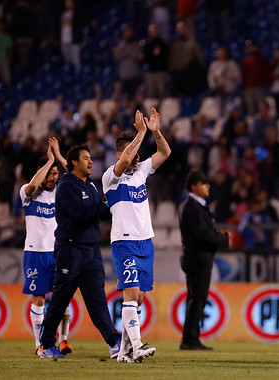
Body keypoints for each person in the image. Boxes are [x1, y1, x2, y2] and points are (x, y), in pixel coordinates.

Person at [39, 144, 121, 359]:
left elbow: (100, 212)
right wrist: (105, 203)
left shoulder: (91, 185)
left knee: (98, 300)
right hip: (70, 250)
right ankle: (46, 345)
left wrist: (108, 203)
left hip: (91, 251)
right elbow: (80, 214)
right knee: (60, 300)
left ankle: (114, 342)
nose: (91, 161)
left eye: (90, 157)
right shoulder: (66, 186)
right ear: (74, 162)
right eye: (86, 158)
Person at [102, 108, 170, 363]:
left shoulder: (141, 171)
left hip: (145, 241)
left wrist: (154, 132)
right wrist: (141, 133)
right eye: (132, 150)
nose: (137, 155)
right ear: (120, 153)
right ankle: (138, 345)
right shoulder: (111, 177)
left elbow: (165, 153)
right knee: (130, 293)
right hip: (124, 241)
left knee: (138, 297)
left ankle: (123, 352)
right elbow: (121, 165)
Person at [20, 138, 71, 356]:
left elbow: (76, 177)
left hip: (57, 253)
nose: (53, 179)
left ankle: (64, 340)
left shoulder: (59, 192)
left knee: (62, 299)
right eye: (50, 174)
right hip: (34, 253)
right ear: (41, 172)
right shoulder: (26, 193)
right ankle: (39, 345)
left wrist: (58, 158)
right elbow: (33, 186)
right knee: (39, 299)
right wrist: (48, 162)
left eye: (55, 175)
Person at [179, 170, 230, 350]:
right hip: (198, 258)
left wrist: (216, 235)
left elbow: (204, 232)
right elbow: (202, 235)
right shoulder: (192, 207)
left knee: (195, 299)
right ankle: (190, 340)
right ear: (194, 186)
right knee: (197, 299)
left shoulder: (194, 206)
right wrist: (223, 239)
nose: (208, 186)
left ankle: (190, 338)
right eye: (203, 183)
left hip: (196, 257)